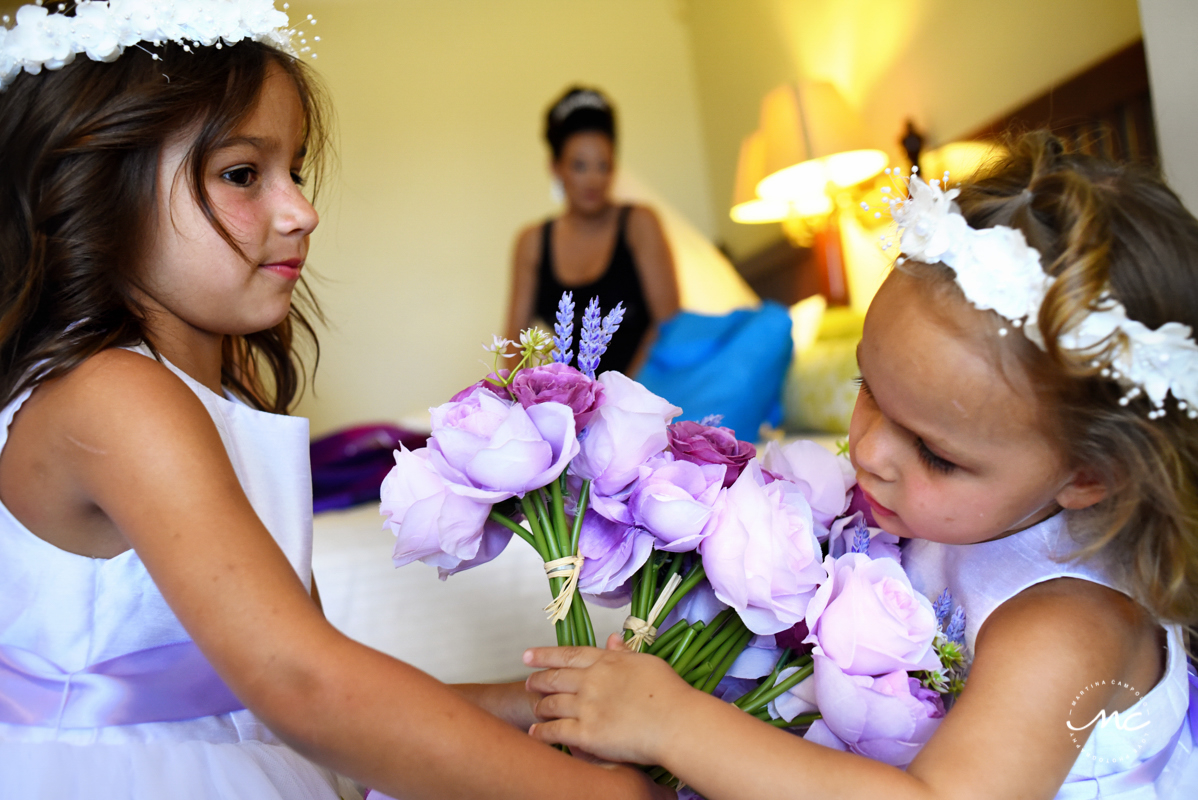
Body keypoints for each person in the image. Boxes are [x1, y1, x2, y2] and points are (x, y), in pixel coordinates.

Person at [0, 4, 670, 799]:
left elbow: (320, 674)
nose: (302, 211)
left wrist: (537, 707)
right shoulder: (114, 395)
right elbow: (307, 687)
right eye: (244, 174)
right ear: (103, 187)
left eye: (297, 170)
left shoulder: (208, 398)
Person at [523, 131, 1198, 798]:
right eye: (867, 387)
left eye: (935, 453)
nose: (868, 451)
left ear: (1090, 476)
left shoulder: (1068, 626)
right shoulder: (955, 513)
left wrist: (676, 724)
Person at [506, 87, 679, 376]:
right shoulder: (533, 243)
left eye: (604, 165)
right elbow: (513, 344)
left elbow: (669, 325)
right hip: (574, 410)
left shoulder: (639, 224)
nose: (594, 179)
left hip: (644, 393)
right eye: (579, 166)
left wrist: (618, 398)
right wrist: (529, 399)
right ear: (555, 167)